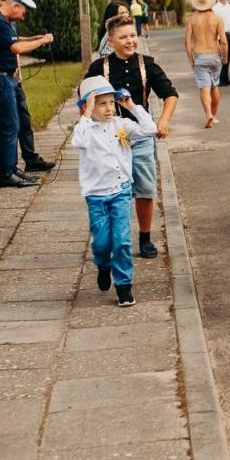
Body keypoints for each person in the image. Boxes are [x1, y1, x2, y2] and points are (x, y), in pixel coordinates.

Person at [88, 16, 179, 259]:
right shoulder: (99, 68)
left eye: (132, 35)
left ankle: (146, 238)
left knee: (145, 188)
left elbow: (170, 94)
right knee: (112, 191)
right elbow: (85, 101)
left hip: (140, 136)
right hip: (110, 140)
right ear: (111, 40)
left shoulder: (147, 64)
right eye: (123, 37)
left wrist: (164, 120)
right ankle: (115, 238)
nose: (130, 41)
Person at [72, 76, 156, 306]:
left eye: (111, 102)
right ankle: (103, 264)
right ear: (88, 107)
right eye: (101, 103)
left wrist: (131, 106)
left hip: (120, 192)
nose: (109, 108)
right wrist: (87, 114)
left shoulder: (121, 125)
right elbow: (77, 141)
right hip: (96, 196)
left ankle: (124, 285)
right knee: (101, 243)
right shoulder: (85, 130)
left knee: (121, 241)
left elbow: (150, 129)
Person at [0, 0, 56, 177]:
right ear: (15, 5)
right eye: (24, 12)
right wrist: (42, 41)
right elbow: (13, 49)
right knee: (8, 125)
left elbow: (11, 41)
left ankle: (13, 168)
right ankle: (7, 172)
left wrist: (32, 38)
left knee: (17, 122)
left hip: (6, 79)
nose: (24, 16)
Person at [185, 0, 227, 127]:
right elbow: (224, 41)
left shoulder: (192, 20)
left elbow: (187, 41)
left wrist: (191, 59)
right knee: (214, 86)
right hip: (214, 55)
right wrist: (225, 58)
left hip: (199, 55)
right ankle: (214, 116)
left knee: (204, 87)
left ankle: (208, 114)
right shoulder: (216, 18)